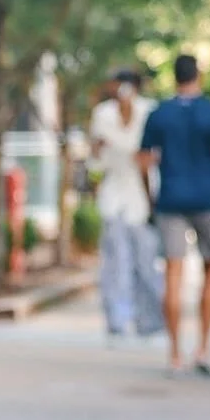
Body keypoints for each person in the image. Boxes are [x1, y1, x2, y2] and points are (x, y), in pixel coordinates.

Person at [138, 53, 210, 375]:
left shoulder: (159, 114)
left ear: (174, 76)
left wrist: (149, 199)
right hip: (208, 200)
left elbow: (145, 161)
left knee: (173, 275)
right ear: (198, 75)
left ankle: (175, 354)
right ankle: (203, 349)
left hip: (170, 200)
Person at [89, 68, 163, 338]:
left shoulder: (148, 112)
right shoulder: (103, 114)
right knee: (115, 261)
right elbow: (97, 159)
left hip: (142, 195)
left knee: (145, 261)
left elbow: (152, 156)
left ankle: (150, 320)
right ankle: (117, 320)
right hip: (114, 194)